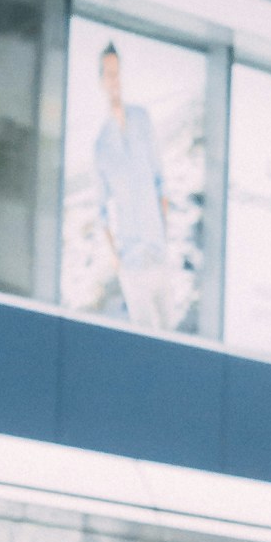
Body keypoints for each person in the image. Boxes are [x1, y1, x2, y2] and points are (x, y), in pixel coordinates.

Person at [89, 40, 177, 331]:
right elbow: (100, 212)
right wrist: (118, 261)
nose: (114, 80)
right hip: (132, 263)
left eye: (117, 72)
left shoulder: (142, 119)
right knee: (146, 340)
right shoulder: (101, 145)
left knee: (171, 334)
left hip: (158, 251)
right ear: (101, 80)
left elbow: (160, 180)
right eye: (108, 74)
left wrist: (163, 234)